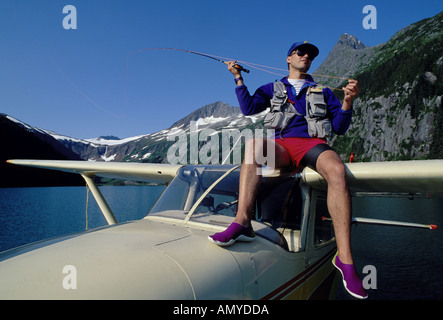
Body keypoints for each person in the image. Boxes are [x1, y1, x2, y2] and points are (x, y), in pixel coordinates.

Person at [207, 41, 366, 299]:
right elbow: (249, 109)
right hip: (282, 146)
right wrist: (238, 78)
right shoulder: (271, 88)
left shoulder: (324, 91)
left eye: (311, 55)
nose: (306, 56)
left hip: (313, 145)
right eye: (300, 53)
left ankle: (345, 259)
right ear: (288, 59)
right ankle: (242, 222)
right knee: (254, 146)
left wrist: (347, 101)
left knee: (337, 170)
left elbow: (339, 127)